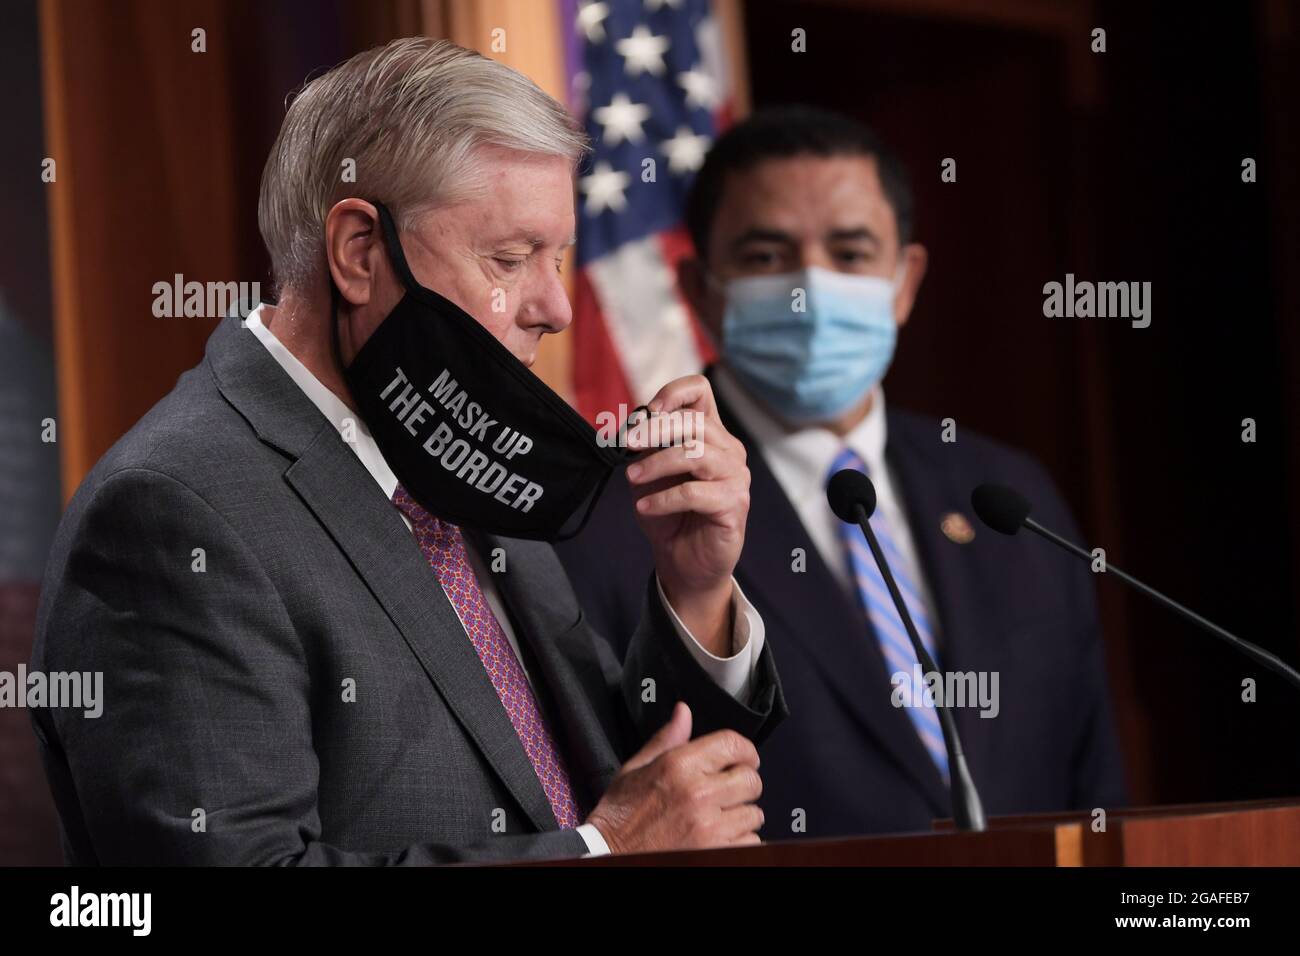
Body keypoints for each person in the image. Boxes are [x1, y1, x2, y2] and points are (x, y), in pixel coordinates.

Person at [30, 37, 785, 865]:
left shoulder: (461, 450)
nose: (554, 307)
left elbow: (637, 789)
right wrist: (600, 851)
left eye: (559, 259)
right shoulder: (170, 510)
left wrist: (696, 587)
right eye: (511, 257)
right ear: (360, 252)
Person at [558, 106, 1127, 839]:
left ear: (904, 280)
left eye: (851, 253)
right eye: (767, 256)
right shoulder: (616, 505)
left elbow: (1097, 788)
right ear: (700, 288)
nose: (810, 288)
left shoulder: (1009, 496)